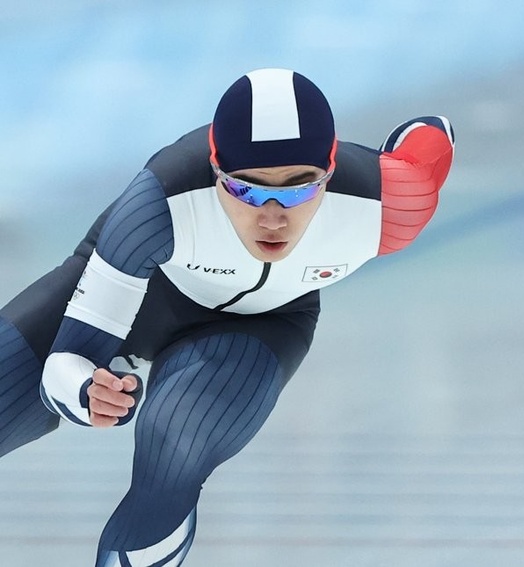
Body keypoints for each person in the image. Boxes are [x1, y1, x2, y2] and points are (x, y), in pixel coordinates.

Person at [0, 67, 454, 566]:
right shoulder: (159, 204)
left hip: (260, 325)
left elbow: (430, 140)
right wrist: (88, 394)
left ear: (331, 170)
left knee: (174, 443)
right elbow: (63, 366)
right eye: (247, 190)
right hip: (143, 292)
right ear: (215, 170)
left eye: (301, 188)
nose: (274, 216)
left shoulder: (386, 206)